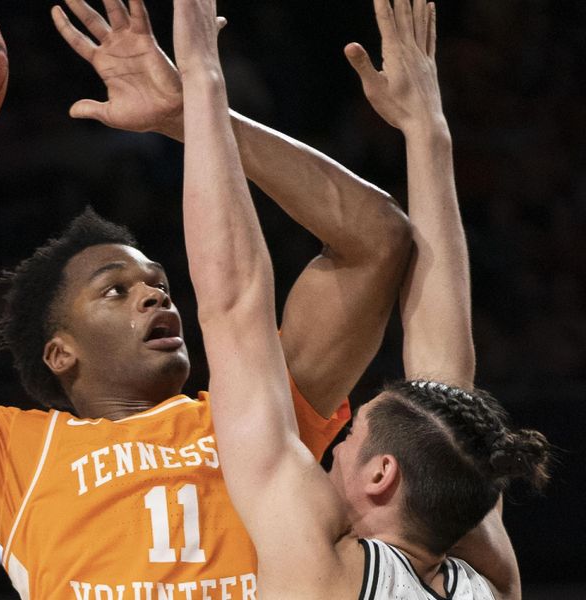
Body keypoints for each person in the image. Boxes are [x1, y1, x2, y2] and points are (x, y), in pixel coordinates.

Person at [0, 2, 410, 599]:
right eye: (117, 290)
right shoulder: (9, 456)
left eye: (160, 286)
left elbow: (375, 239)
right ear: (61, 352)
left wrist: (194, 117)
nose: (153, 296)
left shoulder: (259, 416)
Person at [201, 0, 552, 599]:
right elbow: (447, 380)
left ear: (381, 475)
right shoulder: (489, 584)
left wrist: (200, 80)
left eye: (350, 438)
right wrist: (426, 131)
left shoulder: (325, 572)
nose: (333, 450)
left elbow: (237, 302)